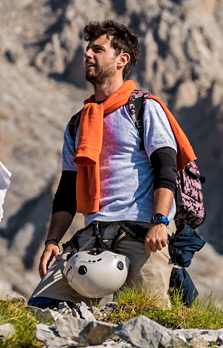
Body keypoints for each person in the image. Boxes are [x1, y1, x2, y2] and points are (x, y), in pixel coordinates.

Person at [31, 20, 195, 309]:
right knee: (43, 307)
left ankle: (173, 280)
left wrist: (160, 221)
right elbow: (67, 189)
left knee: (147, 319)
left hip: (142, 232)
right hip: (93, 235)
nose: (87, 55)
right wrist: (53, 240)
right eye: (87, 50)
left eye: (97, 49)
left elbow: (165, 167)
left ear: (122, 60)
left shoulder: (144, 108)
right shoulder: (77, 123)